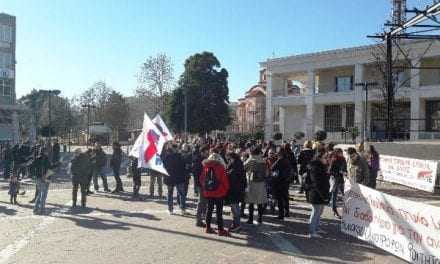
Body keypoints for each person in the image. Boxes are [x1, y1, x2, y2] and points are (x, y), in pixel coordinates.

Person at [199, 146, 229, 236]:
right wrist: (225, 190)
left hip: (208, 192)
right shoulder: (220, 167)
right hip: (219, 192)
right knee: (219, 212)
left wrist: (205, 187)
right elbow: (225, 181)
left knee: (209, 209)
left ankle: (208, 227)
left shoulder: (206, 167)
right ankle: (220, 230)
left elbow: (201, 179)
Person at [304, 150, 330, 238]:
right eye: (325, 157)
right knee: (316, 212)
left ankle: (316, 228)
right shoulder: (315, 167)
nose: (327, 159)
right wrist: (323, 195)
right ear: (319, 158)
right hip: (316, 193)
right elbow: (317, 183)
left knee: (319, 211)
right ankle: (312, 232)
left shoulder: (321, 166)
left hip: (321, 193)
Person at [244, 146, 268, 224]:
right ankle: (260, 218)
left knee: (251, 202)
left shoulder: (251, 159)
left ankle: (250, 219)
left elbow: (244, 167)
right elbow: (267, 173)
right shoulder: (263, 160)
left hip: (252, 182)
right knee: (259, 202)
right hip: (261, 183)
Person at [163, 144, 188, 215]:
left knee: (170, 194)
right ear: (175, 149)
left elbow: (163, 167)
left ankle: (170, 209)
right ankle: (182, 209)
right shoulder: (179, 156)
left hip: (170, 178)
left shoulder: (166, 157)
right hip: (178, 178)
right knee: (181, 194)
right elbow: (184, 166)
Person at [225, 151, 246, 232]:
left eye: (229, 159)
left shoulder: (236, 166)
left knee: (235, 208)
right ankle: (236, 224)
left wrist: (227, 174)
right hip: (237, 190)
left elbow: (232, 178)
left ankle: (237, 225)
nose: (228, 161)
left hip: (235, 190)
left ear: (232, 158)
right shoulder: (237, 164)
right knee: (235, 207)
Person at [270, 147, 292, 220]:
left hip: (279, 181)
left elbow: (272, 168)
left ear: (279, 153)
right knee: (285, 197)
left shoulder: (280, 160)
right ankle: (287, 212)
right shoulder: (287, 160)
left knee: (280, 198)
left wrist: (276, 160)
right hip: (286, 181)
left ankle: (281, 214)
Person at [328, 148, 347, 219]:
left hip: (341, 179)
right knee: (334, 195)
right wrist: (338, 172)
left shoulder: (343, 159)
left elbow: (345, 168)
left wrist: (344, 172)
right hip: (335, 179)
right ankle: (334, 210)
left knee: (345, 194)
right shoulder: (333, 159)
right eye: (340, 152)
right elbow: (330, 171)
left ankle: (347, 210)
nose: (341, 154)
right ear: (336, 153)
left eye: (341, 152)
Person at [195, 145, 210, 227]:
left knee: (204, 202)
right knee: (201, 202)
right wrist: (200, 183)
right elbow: (197, 173)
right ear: (202, 152)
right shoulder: (200, 160)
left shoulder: (202, 159)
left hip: (203, 183)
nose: (208, 152)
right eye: (206, 151)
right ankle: (198, 220)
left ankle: (202, 217)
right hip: (202, 184)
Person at [33, 148, 50, 215]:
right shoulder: (46, 159)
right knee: (44, 195)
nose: (47, 152)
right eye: (46, 151)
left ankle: (35, 209)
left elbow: (32, 166)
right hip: (44, 178)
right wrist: (58, 163)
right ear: (44, 152)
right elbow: (50, 168)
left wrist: (35, 174)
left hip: (38, 178)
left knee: (39, 194)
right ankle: (42, 210)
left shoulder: (37, 158)